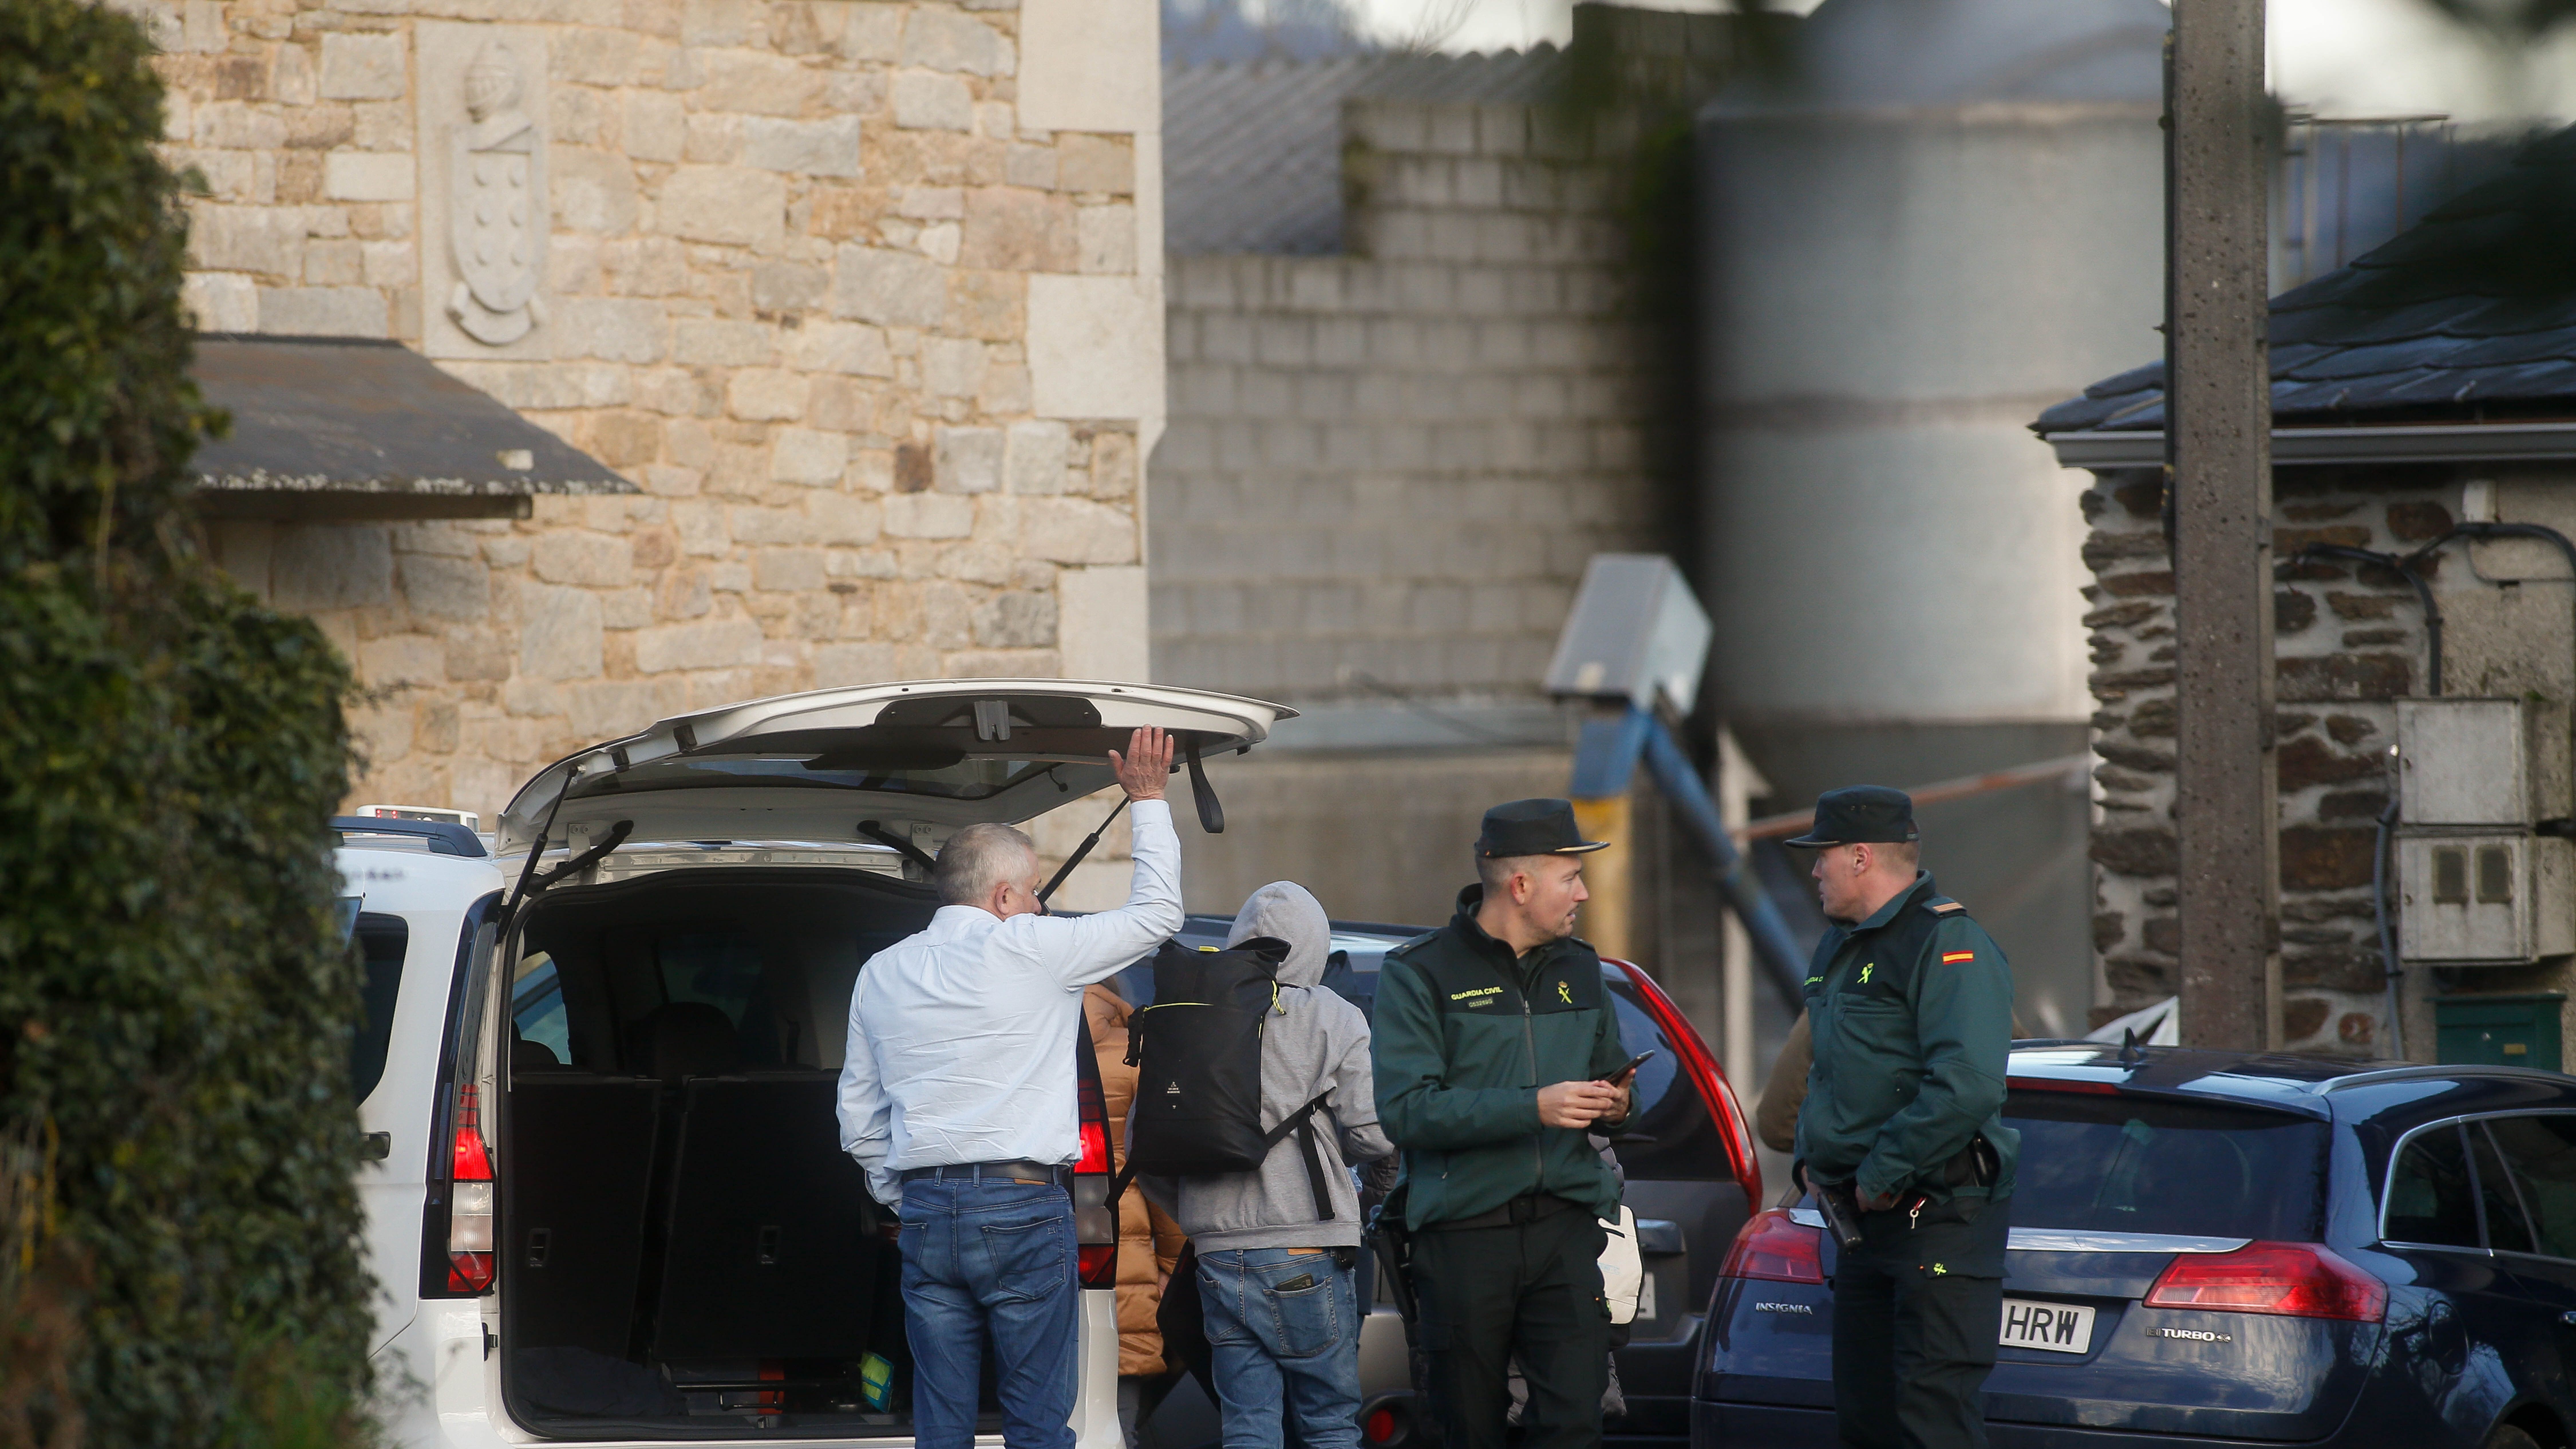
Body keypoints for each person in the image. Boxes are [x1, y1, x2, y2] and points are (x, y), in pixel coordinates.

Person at [836, 727, 1181, 1449]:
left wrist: (905, 1194)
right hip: (1023, 1204)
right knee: (1034, 1419)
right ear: (1002, 895)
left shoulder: (881, 970)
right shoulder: (1030, 945)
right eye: (1032, 892)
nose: (1038, 905)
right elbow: (1157, 917)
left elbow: (860, 1120)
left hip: (926, 1208)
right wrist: (1146, 801)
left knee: (942, 1421)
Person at [1372, 798, 1635, 1449]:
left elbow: (1615, 1080)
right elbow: (1407, 1109)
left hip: (1565, 1230)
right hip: (1463, 1238)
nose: (1582, 892)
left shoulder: (1582, 967)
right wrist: (1533, 1106)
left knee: (1576, 1423)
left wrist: (1620, 1105)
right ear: (1520, 885)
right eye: (1569, 876)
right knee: (1470, 1427)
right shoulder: (1420, 971)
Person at [1783, 785, 2018, 1449]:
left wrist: (1881, 1169)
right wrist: (1811, 1159)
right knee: (1867, 1420)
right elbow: (1825, 1074)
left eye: (1822, 856)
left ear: (1861, 857)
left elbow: (1967, 1086)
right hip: (1864, 1228)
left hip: (1936, 1221)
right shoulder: (1838, 948)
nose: (1814, 870)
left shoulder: (1948, 942)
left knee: (1931, 1422)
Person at [1138, 883, 1397, 1449]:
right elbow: (1375, 1133)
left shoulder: (1186, 1019)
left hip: (1217, 1253)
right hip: (1305, 1246)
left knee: (1248, 1423)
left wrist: (1196, 1212)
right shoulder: (1332, 1014)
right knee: (1327, 1422)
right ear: (1315, 945)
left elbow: (1146, 1145)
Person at [1083, 980, 1189, 1449]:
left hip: (1037, 1223)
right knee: (1119, 1395)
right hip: (1119, 1233)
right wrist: (1171, 1265)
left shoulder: (1022, 1036)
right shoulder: (1134, 1053)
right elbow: (1160, 1171)